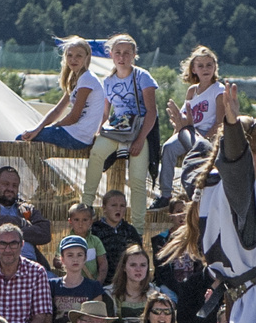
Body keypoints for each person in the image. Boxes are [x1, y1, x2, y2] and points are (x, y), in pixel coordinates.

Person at [83, 33, 158, 223]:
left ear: (134, 55)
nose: (122, 57)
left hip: (140, 127)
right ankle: (86, 206)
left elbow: (152, 111)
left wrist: (141, 139)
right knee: (97, 153)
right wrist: (99, 132)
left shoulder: (142, 76)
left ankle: (138, 229)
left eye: (126, 53)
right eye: (118, 53)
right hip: (118, 127)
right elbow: (105, 111)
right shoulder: (107, 81)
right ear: (111, 55)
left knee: (138, 180)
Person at [154, 46, 225, 206]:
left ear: (215, 67)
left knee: (198, 160)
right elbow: (183, 119)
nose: (205, 69)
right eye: (200, 66)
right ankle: (165, 195)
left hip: (208, 135)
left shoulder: (218, 90)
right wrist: (176, 130)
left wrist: (205, 140)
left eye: (209, 65)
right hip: (190, 132)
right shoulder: (192, 91)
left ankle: (194, 196)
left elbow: (220, 122)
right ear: (193, 69)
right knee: (168, 147)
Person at [19, 37, 103, 150]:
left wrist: (52, 127)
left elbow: (74, 117)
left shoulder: (87, 79)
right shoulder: (76, 79)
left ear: (87, 58)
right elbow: (57, 110)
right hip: (75, 134)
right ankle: (44, 168)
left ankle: (42, 168)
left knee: (20, 140)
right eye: (70, 55)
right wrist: (38, 128)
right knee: (30, 143)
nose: (74, 59)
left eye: (79, 56)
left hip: (78, 136)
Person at [0, 166, 53, 266]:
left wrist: (9, 234)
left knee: (53, 280)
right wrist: (22, 223)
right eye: (5, 184)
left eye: (14, 185)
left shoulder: (26, 208)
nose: (10, 188)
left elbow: (45, 232)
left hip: (31, 266)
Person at [48, 234, 112, 323]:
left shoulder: (94, 287)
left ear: (85, 258)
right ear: (62, 259)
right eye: (70, 255)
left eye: (79, 255)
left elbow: (98, 319)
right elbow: (47, 319)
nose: (75, 259)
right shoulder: (52, 285)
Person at [91, 191, 144, 285]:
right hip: (99, 282)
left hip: (125, 283)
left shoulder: (130, 231)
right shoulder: (94, 230)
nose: (118, 209)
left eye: (122, 206)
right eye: (114, 205)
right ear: (104, 208)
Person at [105, 243, 154, 323]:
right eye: (133, 265)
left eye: (143, 265)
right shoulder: (110, 294)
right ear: (124, 267)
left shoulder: (154, 293)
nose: (138, 269)